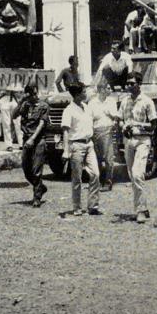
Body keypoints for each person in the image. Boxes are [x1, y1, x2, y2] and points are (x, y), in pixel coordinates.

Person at [121, 72, 157, 224]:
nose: (129, 86)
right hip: (129, 141)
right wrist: (123, 127)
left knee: (137, 174)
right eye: (127, 83)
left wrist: (137, 124)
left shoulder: (147, 101)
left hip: (143, 140)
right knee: (132, 176)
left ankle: (140, 210)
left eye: (132, 83)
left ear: (139, 84)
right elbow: (120, 120)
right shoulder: (124, 101)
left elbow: (153, 126)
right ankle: (144, 206)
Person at [62, 84, 102, 216]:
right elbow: (66, 131)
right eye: (84, 92)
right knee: (77, 178)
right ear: (78, 94)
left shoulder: (87, 108)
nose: (86, 94)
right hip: (76, 146)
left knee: (95, 174)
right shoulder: (69, 110)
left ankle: (93, 206)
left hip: (89, 144)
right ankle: (77, 207)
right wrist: (66, 150)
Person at [14, 84, 49, 207]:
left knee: (36, 169)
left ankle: (36, 197)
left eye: (34, 93)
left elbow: (42, 124)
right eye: (30, 94)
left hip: (38, 139)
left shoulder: (43, 105)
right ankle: (40, 187)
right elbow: (14, 115)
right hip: (26, 139)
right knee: (26, 168)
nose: (34, 96)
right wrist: (21, 101)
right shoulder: (25, 105)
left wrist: (33, 139)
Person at [88, 82, 118, 191]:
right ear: (101, 90)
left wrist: (109, 113)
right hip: (95, 132)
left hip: (107, 131)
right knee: (97, 158)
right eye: (108, 88)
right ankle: (99, 181)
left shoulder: (111, 102)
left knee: (108, 158)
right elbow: (89, 118)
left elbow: (115, 116)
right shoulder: (92, 103)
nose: (110, 90)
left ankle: (108, 181)